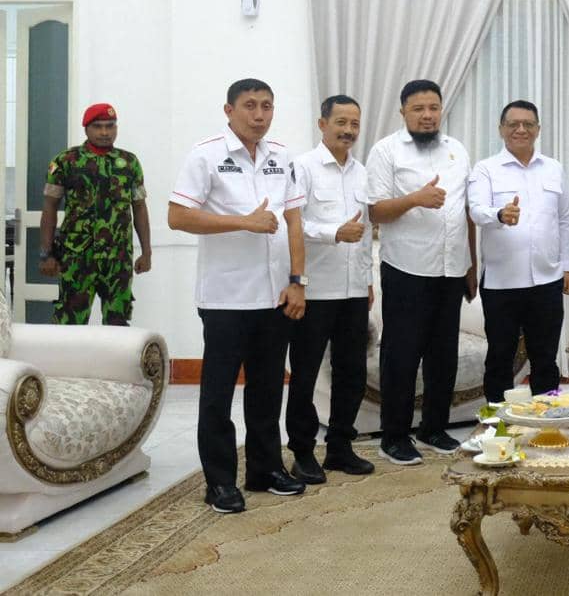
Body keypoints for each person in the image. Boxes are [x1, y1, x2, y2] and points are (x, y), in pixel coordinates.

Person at [169, 79, 307, 514]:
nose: (259, 115)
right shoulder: (206, 155)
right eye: (250, 106)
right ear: (229, 110)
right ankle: (220, 482)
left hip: (275, 296)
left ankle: (265, 470)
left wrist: (298, 280)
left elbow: (294, 220)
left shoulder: (281, 155)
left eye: (267, 106)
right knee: (218, 395)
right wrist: (243, 223)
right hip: (225, 298)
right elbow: (177, 216)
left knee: (267, 391)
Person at [366, 80, 476, 465]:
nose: (427, 116)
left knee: (443, 355)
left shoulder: (457, 150)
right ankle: (394, 436)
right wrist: (415, 199)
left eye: (433, 108)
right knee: (402, 355)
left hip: (451, 269)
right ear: (403, 112)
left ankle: (433, 428)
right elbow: (375, 211)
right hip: (407, 268)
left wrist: (471, 265)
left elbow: (465, 210)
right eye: (418, 109)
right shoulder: (386, 151)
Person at [284, 95, 375, 482]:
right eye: (341, 122)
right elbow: (292, 224)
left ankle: (340, 447)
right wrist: (333, 232)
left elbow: (366, 232)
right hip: (315, 290)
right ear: (322, 124)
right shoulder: (302, 167)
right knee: (304, 374)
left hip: (353, 291)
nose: (348, 130)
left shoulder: (362, 172)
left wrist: (367, 281)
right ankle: (302, 452)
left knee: (352, 372)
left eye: (354, 124)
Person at [468, 100, 569, 402]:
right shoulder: (486, 169)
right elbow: (476, 211)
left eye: (528, 124)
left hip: (547, 279)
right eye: (513, 124)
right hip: (502, 281)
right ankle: (496, 422)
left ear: (538, 130)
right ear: (501, 129)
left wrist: (566, 266)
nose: (521, 129)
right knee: (500, 357)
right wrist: (500, 215)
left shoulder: (553, 168)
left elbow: (564, 220)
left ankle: (547, 417)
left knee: (546, 358)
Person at [39, 103, 151, 325]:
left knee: (117, 323)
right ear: (86, 129)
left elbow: (139, 207)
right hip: (77, 257)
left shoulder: (129, 163)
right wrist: (46, 254)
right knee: (69, 323)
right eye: (98, 126)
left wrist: (146, 252)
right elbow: (49, 208)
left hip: (117, 258)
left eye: (110, 126)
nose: (105, 132)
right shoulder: (66, 161)